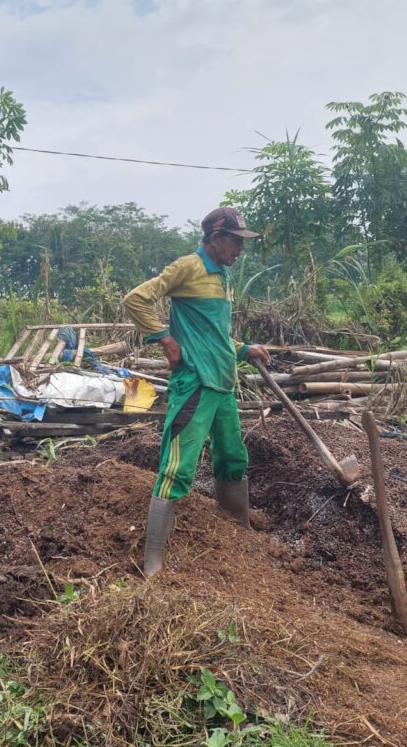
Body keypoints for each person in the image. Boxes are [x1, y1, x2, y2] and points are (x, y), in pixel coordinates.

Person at [123, 207, 272, 577]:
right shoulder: (188, 267)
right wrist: (165, 339)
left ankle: (239, 532)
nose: (240, 249)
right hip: (195, 383)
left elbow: (211, 332)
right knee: (178, 466)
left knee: (232, 456)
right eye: (235, 241)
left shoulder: (221, 275)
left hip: (222, 382)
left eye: (243, 242)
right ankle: (154, 562)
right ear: (215, 238)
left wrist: (244, 349)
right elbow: (136, 299)